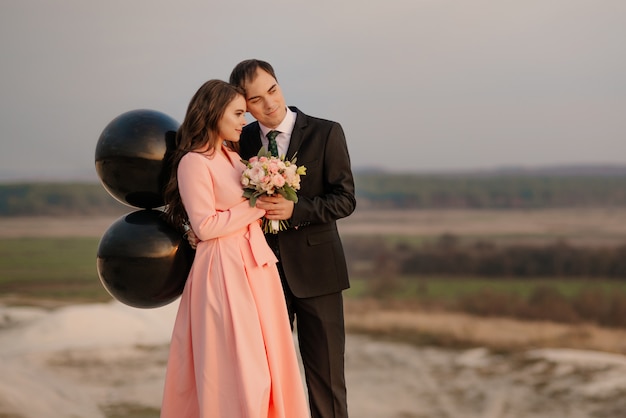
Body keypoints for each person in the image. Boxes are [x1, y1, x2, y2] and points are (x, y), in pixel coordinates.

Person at [159, 79, 310, 418]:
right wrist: (257, 204)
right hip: (224, 273)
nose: (245, 121)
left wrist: (274, 192)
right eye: (239, 113)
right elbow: (206, 226)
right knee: (242, 369)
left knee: (269, 365)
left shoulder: (233, 157)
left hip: (257, 267)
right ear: (214, 114)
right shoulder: (193, 162)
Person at [231, 59, 356, 418]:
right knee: (266, 379)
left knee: (327, 381)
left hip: (319, 274)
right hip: (263, 275)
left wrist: (295, 209)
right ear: (245, 106)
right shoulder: (242, 141)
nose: (269, 104)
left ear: (279, 84)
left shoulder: (327, 132)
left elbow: (345, 199)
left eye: (272, 90)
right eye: (256, 100)